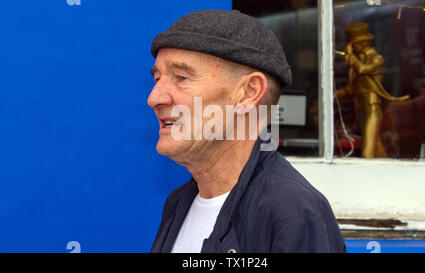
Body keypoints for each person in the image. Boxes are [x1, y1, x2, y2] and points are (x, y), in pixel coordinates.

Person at [148, 9, 345, 253]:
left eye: (181, 77)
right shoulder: (178, 203)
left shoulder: (291, 214)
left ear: (249, 93)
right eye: (157, 78)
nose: (154, 98)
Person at [335, 22, 409, 158]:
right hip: (362, 109)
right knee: (377, 146)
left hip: (372, 108)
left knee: (367, 151)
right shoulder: (358, 62)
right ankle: (387, 170)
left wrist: (350, 56)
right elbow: (352, 88)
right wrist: (336, 94)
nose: (350, 49)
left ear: (362, 44)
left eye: (352, 45)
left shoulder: (376, 59)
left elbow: (363, 69)